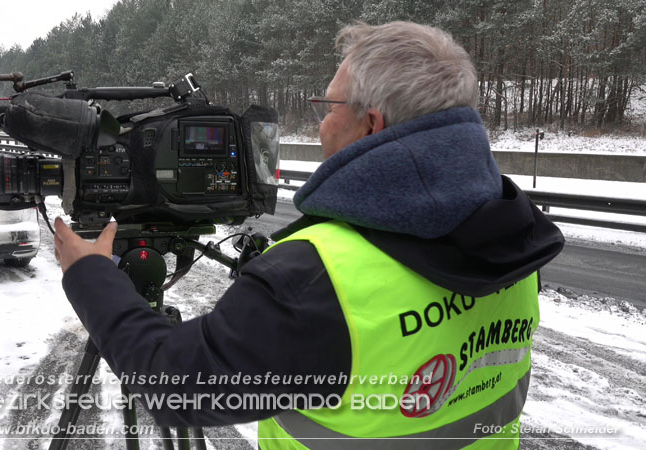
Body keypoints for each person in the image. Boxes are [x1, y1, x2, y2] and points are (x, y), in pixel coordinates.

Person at [54, 21, 564, 449]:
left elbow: (172, 386)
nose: (321, 125)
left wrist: (90, 275)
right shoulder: (513, 233)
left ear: (371, 124)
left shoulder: (315, 278)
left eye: (329, 107)